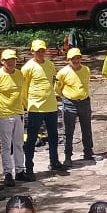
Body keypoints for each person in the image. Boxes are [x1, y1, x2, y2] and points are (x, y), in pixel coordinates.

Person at [22, 39, 66, 176]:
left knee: (53, 136)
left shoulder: (50, 65)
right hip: (35, 107)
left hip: (51, 106)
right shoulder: (27, 68)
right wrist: (25, 104)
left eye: (42, 50)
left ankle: (54, 161)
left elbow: (53, 81)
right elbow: (23, 88)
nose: (41, 53)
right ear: (32, 51)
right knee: (31, 138)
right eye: (38, 51)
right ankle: (28, 167)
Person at [0, 49, 28, 185]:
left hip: (18, 113)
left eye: (13, 60)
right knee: (6, 146)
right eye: (8, 60)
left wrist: (25, 107)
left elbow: (22, 92)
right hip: (3, 114)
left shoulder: (19, 74)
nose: (11, 62)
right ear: (2, 62)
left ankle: (19, 171)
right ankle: (7, 173)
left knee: (19, 144)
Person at [55, 48, 95, 164]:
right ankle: (68, 156)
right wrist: (66, 97)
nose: (76, 61)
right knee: (68, 130)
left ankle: (88, 152)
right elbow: (57, 88)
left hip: (84, 102)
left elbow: (86, 83)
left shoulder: (86, 70)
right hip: (70, 103)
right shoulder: (63, 72)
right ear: (68, 60)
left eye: (78, 58)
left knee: (87, 128)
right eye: (73, 59)